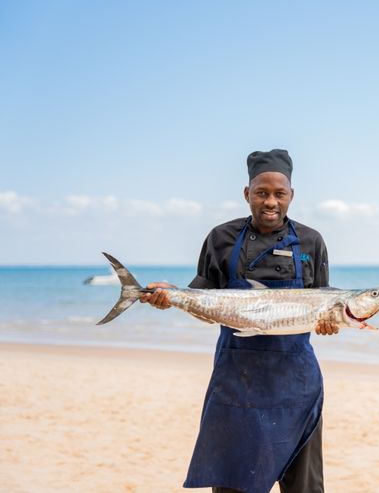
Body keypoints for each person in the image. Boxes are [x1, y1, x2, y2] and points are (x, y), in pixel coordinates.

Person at [141, 149, 337, 493]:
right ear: (247, 194)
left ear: (292, 195)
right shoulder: (221, 238)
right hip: (236, 381)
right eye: (262, 193)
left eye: (280, 193)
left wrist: (329, 322)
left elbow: (320, 301)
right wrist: (170, 296)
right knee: (233, 482)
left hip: (296, 384)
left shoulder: (311, 241)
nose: (270, 202)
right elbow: (200, 297)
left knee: (304, 486)